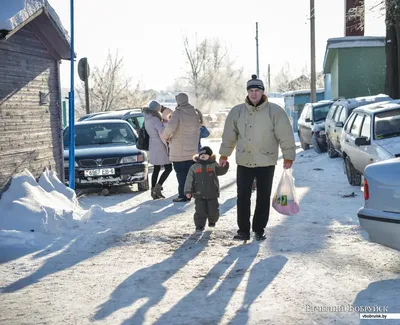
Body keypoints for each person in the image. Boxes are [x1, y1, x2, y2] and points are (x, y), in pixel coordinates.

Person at [219, 74, 296, 241]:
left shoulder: (275, 111)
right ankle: (243, 230)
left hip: (266, 161)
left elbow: (285, 135)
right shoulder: (237, 111)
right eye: (251, 90)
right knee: (243, 196)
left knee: (263, 196)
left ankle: (259, 228)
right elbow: (229, 135)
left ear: (263, 92)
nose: (254, 94)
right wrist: (224, 154)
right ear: (247, 92)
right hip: (244, 161)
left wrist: (288, 156)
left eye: (257, 90)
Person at [163, 93, 201, 202]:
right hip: (192, 151)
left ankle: (183, 195)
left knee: (181, 174)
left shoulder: (177, 114)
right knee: (191, 174)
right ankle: (191, 193)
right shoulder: (194, 113)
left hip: (179, 151)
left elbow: (169, 129)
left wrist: (165, 136)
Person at [184, 146, 229, 232]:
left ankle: (212, 221)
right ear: (199, 156)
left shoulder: (213, 165)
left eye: (205, 154)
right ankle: (199, 225)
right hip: (198, 193)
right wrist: (188, 190)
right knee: (200, 211)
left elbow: (221, 171)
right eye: (201, 154)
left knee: (213, 210)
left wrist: (225, 166)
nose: (203, 155)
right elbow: (189, 179)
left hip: (212, 193)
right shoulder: (194, 167)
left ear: (210, 156)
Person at [144, 101, 172, 199]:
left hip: (153, 144)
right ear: (156, 109)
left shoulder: (146, 118)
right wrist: (167, 141)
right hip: (160, 145)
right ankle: (158, 188)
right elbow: (162, 133)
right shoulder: (155, 119)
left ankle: (153, 191)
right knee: (168, 168)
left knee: (156, 168)